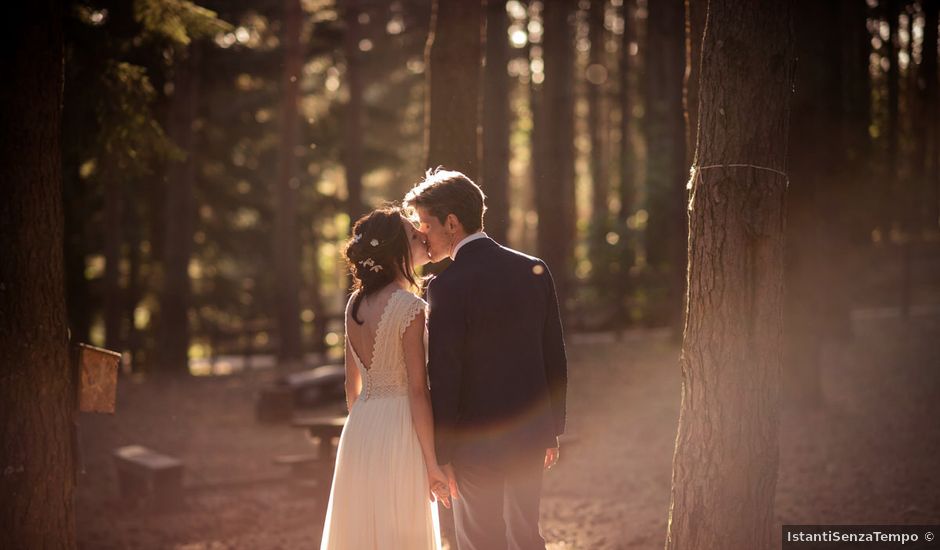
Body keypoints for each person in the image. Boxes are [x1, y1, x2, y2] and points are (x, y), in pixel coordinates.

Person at [404, 169, 568, 550]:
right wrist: (551, 429)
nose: (422, 234)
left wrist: (444, 452)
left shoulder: (446, 286)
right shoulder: (533, 269)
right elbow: (553, 355)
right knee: (527, 535)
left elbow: (445, 375)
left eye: (424, 224)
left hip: (474, 443)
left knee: (481, 540)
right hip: (530, 433)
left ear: (451, 222)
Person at [320, 207, 447, 550]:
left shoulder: (354, 305)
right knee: (400, 524)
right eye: (412, 235)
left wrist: (363, 425)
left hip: (361, 425)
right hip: (400, 426)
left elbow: (352, 384)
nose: (421, 236)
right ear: (395, 252)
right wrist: (433, 464)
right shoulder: (410, 307)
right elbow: (419, 391)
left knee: (364, 526)